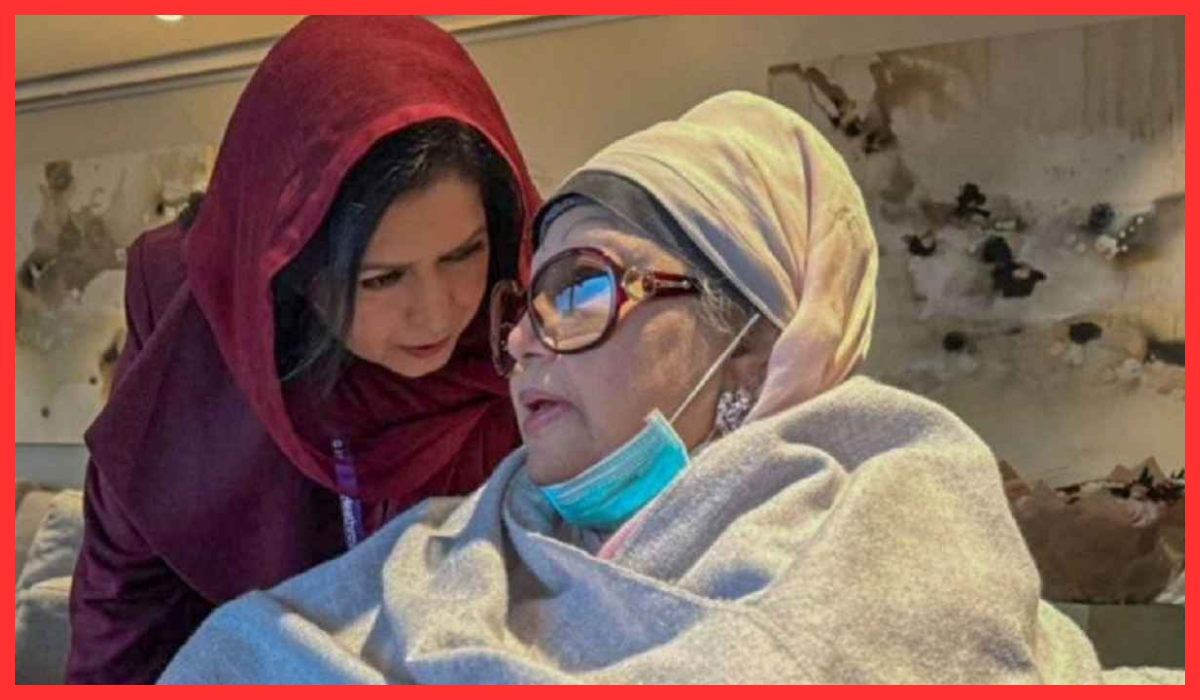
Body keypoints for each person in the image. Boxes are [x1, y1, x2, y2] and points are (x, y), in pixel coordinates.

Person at [159, 92, 1174, 684]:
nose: (522, 342)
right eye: (527, 302)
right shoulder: (442, 554)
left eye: (581, 287)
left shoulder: (903, 557)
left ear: (756, 344)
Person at [67, 16, 540, 684]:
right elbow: (121, 617)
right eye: (381, 279)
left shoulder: (539, 336)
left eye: (464, 253)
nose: (438, 314)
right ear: (289, 271)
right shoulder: (191, 340)